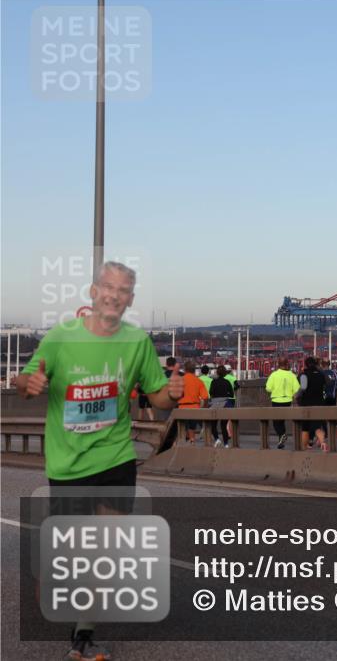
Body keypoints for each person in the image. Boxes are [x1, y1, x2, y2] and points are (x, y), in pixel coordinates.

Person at [16, 261, 185, 661]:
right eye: (108, 286)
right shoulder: (61, 338)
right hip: (68, 464)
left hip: (115, 457)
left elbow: (156, 396)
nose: (114, 294)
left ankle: (82, 638)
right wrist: (30, 384)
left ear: (131, 299)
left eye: (124, 289)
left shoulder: (136, 341)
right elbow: (24, 383)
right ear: (93, 292)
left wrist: (172, 395)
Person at [265, 358, 300, 449]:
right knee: (282, 420)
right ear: (287, 363)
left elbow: (268, 388)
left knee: (276, 421)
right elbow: (297, 389)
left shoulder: (274, 375)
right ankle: (281, 438)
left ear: (278, 364)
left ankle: (282, 435)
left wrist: (275, 389)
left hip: (276, 400)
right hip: (287, 400)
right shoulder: (292, 375)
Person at [297, 356, 329, 452]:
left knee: (305, 427)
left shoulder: (304, 375)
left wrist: (297, 396)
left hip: (306, 403)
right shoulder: (321, 374)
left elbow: (303, 387)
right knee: (317, 425)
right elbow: (326, 384)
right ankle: (323, 442)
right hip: (319, 403)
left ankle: (304, 448)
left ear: (306, 364)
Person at [178, 360, 210, 443]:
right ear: (194, 370)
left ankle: (183, 443)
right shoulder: (198, 381)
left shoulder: (180, 380)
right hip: (194, 407)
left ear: (185, 369)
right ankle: (192, 441)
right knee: (192, 428)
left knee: (183, 428)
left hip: (181, 407)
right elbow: (205, 397)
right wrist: (204, 408)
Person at [209, 365, 235, 448]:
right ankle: (226, 443)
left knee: (213, 424)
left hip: (215, 404)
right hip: (225, 404)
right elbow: (231, 394)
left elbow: (211, 392)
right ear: (225, 373)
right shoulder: (227, 382)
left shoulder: (213, 382)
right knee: (224, 425)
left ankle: (217, 439)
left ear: (217, 372)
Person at [320, 359, 337, 443]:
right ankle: (336, 428)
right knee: (332, 414)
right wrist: (336, 389)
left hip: (324, 397)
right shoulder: (334, 373)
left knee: (322, 415)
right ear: (329, 364)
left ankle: (327, 433)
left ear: (321, 364)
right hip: (333, 396)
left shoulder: (321, 373)